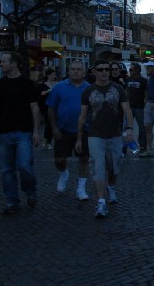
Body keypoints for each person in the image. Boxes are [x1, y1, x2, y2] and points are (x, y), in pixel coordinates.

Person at [76, 60, 134, 219]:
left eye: (106, 69)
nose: (104, 72)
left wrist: (129, 128)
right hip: (95, 135)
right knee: (98, 167)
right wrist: (79, 139)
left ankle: (112, 186)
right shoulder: (88, 91)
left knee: (114, 168)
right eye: (100, 69)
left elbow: (127, 110)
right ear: (94, 72)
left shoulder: (118, 89)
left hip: (115, 134)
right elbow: (82, 117)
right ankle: (101, 202)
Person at [0, 52, 41, 215]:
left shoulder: (27, 84)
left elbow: (34, 107)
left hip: (23, 131)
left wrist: (36, 130)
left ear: (14, 63)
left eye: (4, 61)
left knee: (24, 166)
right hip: (3, 132)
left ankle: (30, 190)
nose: (1, 64)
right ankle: (11, 200)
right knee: (7, 170)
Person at [46, 60, 91, 201]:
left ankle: (81, 187)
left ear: (83, 72)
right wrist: (53, 127)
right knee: (59, 159)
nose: (75, 71)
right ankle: (63, 173)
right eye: (73, 69)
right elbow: (51, 108)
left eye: (78, 69)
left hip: (84, 130)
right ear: (68, 71)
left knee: (84, 158)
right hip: (63, 129)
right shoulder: (59, 87)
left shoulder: (89, 88)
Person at [124, 62, 148, 151]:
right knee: (127, 126)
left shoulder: (143, 80)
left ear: (137, 70)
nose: (129, 71)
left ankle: (142, 144)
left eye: (131, 69)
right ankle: (125, 145)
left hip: (139, 107)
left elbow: (146, 93)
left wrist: (145, 102)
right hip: (129, 107)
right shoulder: (128, 79)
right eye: (129, 69)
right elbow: (126, 91)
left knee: (141, 126)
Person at [39, 68, 58, 149]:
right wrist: (49, 90)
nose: (54, 76)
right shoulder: (44, 84)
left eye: (54, 75)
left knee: (53, 123)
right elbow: (42, 93)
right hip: (46, 106)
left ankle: (47, 139)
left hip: (55, 106)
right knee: (49, 123)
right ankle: (47, 140)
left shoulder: (56, 83)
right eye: (52, 75)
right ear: (48, 75)